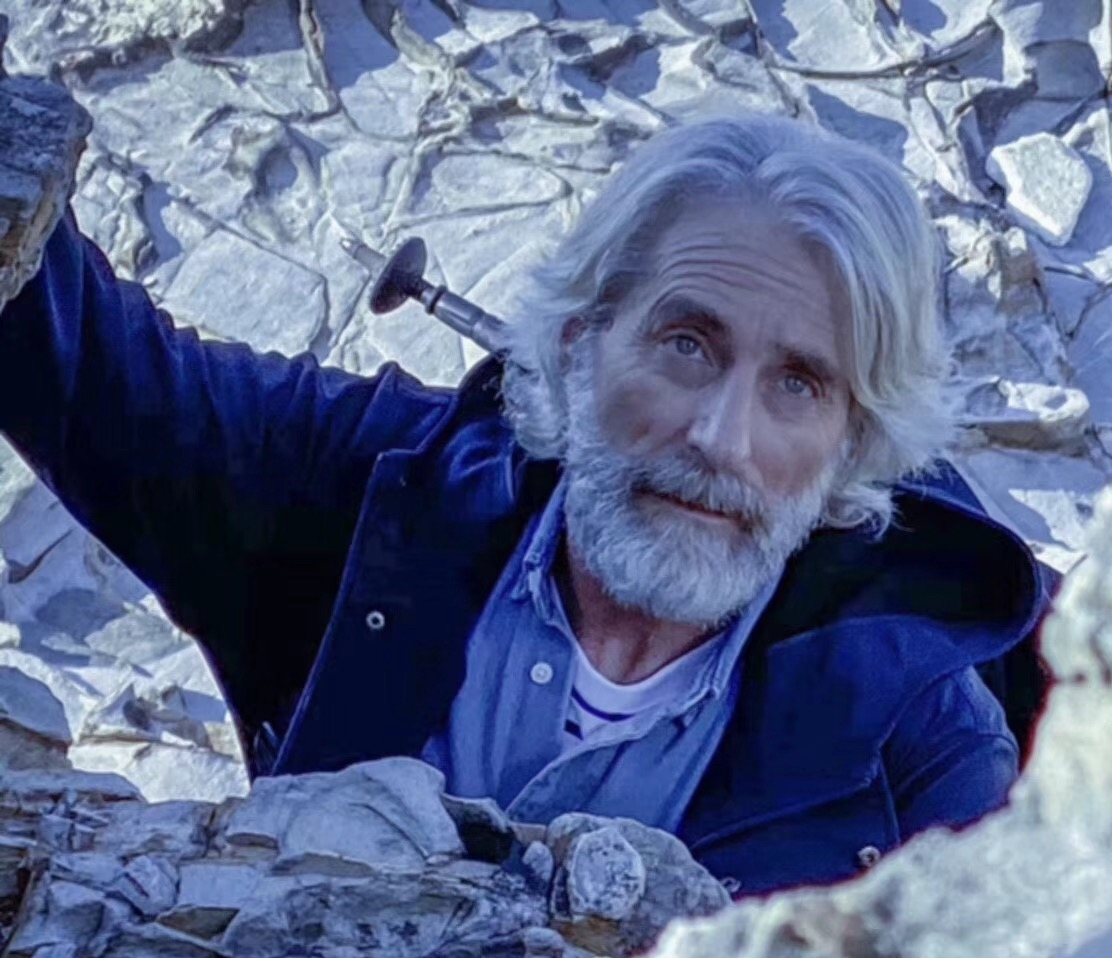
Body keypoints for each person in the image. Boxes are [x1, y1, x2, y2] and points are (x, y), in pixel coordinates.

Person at [0, 113, 1051, 898]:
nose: (723, 439)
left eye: (800, 384)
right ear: (579, 344)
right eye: (687, 344)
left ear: (853, 446)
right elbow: (84, 370)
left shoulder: (920, 735)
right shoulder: (366, 491)